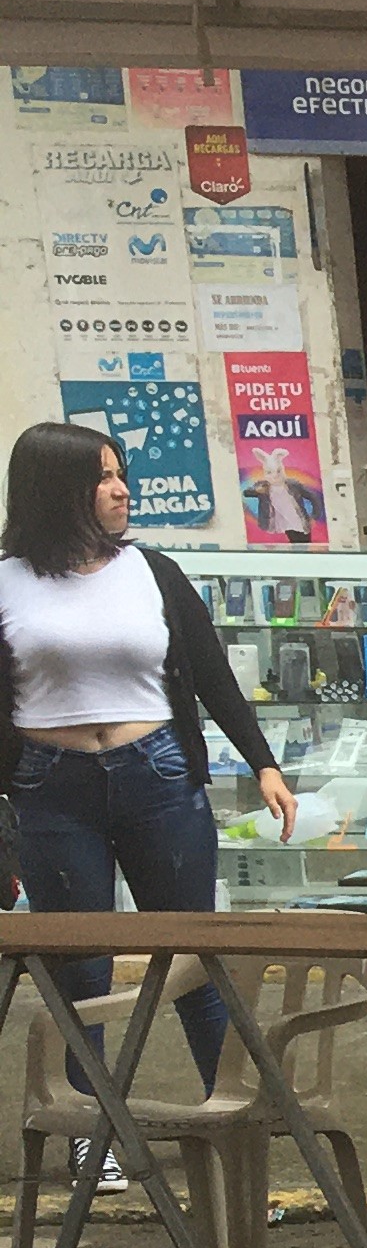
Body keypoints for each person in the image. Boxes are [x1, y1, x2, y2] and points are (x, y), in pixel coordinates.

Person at [0, 420, 292, 1094]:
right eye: (102, 477)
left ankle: (233, 1113)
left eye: (119, 473)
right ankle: (91, 1126)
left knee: (194, 958)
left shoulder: (153, 572)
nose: (121, 490)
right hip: (50, 788)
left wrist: (264, 764)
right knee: (81, 970)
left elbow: (214, 676)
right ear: (56, 490)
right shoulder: (8, 581)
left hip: (159, 777)